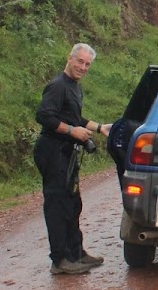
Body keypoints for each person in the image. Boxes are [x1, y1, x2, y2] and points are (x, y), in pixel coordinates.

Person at [34, 42, 112, 275]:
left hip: (67, 153)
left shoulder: (75, 87)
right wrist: (71, 131)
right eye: (80, 61)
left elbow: (74, 117)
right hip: (52, 150)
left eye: (87, 64)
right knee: (58, 205)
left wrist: (99, 128)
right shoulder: (57, 86)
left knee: (73, 204)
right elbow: (44, 116)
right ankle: (60, 260)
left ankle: (76, 252)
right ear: (69, 58)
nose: (83, 67)